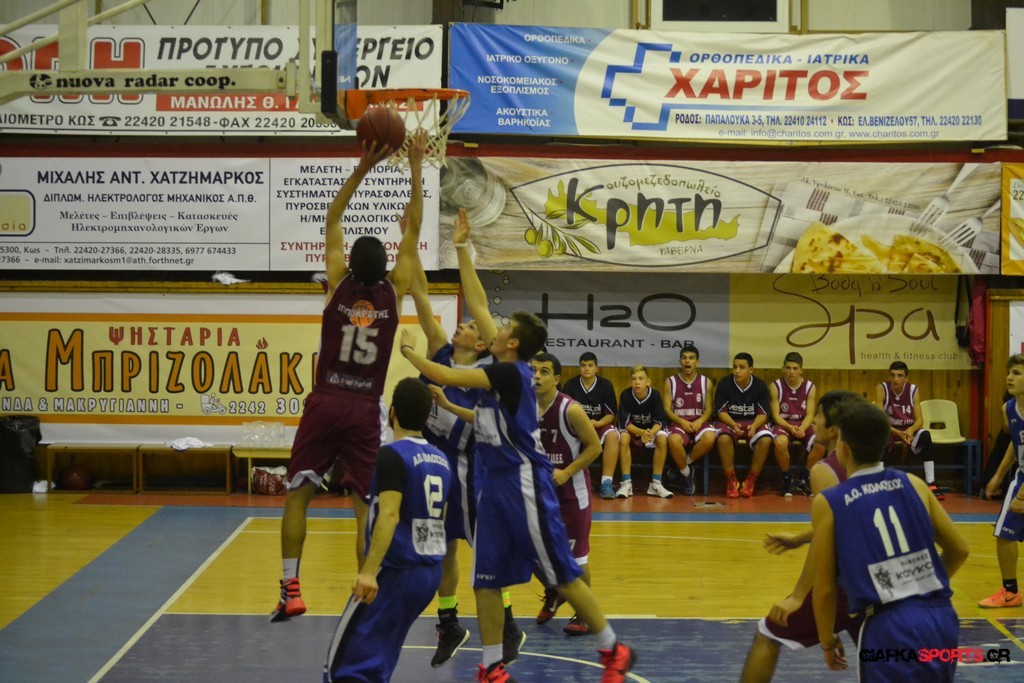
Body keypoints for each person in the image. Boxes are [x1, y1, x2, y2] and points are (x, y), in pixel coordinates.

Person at [398, 312, 635, 683]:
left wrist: (408, 351)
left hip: (523, 480)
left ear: (512, 343)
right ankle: (492, 666)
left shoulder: (510, 373)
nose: (494, 326)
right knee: (485, 580)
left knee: (560, 574)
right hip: (492, 482)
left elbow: (443, 374)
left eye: (504, 327)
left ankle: (613, 648)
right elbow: (479, 306)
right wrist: (459, 260)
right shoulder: (498, 370)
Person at [272, 133, 427, 622]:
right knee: (365, 507)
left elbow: (333, 218)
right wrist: (415, 167)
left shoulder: (337, 285)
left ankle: (291, 590)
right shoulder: (394, 292)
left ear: (349, 264)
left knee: (298, 495)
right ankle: (365, 595)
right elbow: (414, 228)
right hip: (364, 408)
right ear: (386, 266)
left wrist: (363, 167)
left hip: (326, 401)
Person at [406, 208, 525, 666]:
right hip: (435, 465)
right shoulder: (440, 351)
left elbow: (480, 307)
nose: (464, 323)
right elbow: (419, 293)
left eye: (473, 326)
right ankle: (449, 621)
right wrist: (410, 242)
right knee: (441, 547)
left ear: (481, 345)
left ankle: (508, 622)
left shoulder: (488, 373)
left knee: (485, 550)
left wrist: (462, 248)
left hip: (475, 469)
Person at [811, 401, 969, 681]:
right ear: (886, 444)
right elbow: (960, 549)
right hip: (941, 617)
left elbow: (824, 588)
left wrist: (827, 641)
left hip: (889, 625)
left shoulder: (830, 501)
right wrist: (920, 584)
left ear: (843, 448)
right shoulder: (915, 484)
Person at [325, 378, 452, 682]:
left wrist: (369, 572)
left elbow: (390, 515)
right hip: (429, 573)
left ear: (392, 413)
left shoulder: (392, 455)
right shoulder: (441, 459)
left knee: (342, 667)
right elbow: (440, 521)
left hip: (396, 572)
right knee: (380, 659)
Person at [739, 390, 864, 683]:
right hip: (876, 582)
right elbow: (847, 522)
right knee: (879, 663)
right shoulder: (868, 465)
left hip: (843, 584)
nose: (814, 421)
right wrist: (800, 538)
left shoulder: (824, 470)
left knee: (768, 633)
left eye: (818, 415)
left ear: (833, 430)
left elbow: (827, 539)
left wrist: (798, 595)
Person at [532, 352, 603, 635]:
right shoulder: (525, 407)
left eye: (544, 372)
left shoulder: (570, 409)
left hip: (572, 494)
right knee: (530, 551)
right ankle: (554, 590)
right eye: (533, 371)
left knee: (577, 558)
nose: (537, 376)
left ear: (557, 379)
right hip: (540, 492)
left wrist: (567, 471)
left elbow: (595, 447)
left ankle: (583, 613)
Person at [978, 354, 1024, 609]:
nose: (1009, 377)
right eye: (1009, 372)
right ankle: (1010, 592)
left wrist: (1021, 495)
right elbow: (1015, 444)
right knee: (1004, 534)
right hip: (1021, 476)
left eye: (1016, 373)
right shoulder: (1009, 408)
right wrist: (997, 475)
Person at [874, 360, 942, 500]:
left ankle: (931, 482)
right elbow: (880, 420)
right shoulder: (882, 388)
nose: (895, 379)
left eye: (899, 375)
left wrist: (910, 430)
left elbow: (920, 420)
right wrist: (898, 433)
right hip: (890, 429)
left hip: (908, 429)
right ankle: (878, 482)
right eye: (892, 375)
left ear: (906, 377)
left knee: (925, 435)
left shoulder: (913, 390)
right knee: (879, 435)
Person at [714, 352, 775, 499]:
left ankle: (750, 481)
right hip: (730, 421)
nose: (737, 371)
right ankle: (731, 481)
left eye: (742, 367)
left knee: (766, 439)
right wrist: (733, 424)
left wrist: (754, 425)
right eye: (735, 367)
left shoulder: (760, 385)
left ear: (751, 370)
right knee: (723, 439)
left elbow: (763, 413)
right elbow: (721, 412)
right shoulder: (724, 383)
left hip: (753, 421)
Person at [561, 352, 621, 500]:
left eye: (590, 365)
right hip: (576, 428)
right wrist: (581, 425)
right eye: (583, 365)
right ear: (579, 368)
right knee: (563, 432)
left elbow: (611, 415)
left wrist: (598, 423)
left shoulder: (605, 385)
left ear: (596, 368)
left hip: (598, 426)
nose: (586, 368)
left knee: (613, 435)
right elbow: (564, 412)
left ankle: (606, 483)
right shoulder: (570, 385)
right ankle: (568, 478)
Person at [662, 342, 716, 496]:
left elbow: (709, 409)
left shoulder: (706, 382)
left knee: (710, 437)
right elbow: (667, 409)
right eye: (684, 358)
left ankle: (682, 465)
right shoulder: (670, 382)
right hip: (679, 422)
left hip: (699, 421)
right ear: (680, 361)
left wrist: (699, 421)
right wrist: (682, 422)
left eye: (691, 358)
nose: (687, 361)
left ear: (697, 361)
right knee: (673, 440)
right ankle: (687, 473)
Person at [615, 365, 673, 499]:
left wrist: (650, 433)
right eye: (634, 379)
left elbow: (660, 421)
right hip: (634, 431)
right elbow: (625, 423)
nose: (637, 382)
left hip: (651, 431)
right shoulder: (626, 395)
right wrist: (642, 432)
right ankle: (626, 483)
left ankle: (656, 484)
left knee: (662, 438)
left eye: (641, 379)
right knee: (623, 438)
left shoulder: (655, 395)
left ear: (648, 382)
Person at [768, 352, 817, 497]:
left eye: (795, 368)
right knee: (780, 442)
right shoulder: (775, 386)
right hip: (784, 424)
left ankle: (804, 477)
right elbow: (776, 415)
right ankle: (786, 477)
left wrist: (802, 428)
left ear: (801, 370)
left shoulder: (810, 387)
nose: (791, 372)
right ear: (783, 368)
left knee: (821, 441)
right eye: (788, 368)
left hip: (803, 424)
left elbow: (810, 415)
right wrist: (790, 427)